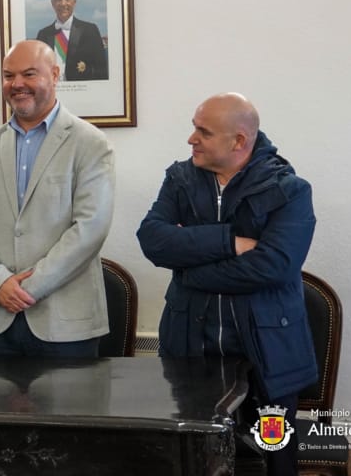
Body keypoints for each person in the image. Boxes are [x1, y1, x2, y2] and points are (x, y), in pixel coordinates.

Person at [136, 93, 318, 476]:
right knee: (193, 458)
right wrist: (229, 243)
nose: (191, 139)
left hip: (268, 355)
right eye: (194, 127)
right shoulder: (179, 179)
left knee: (274, 458)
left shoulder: (290, 189)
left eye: (203, 131)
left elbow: (275, 266)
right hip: (190, 349)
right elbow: (153, 239)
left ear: (239, 141)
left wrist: (189, 270)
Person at [0, 40, 114, 357]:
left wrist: (25, 290)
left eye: (29, 74)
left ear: (55, 75)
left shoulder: (91, 143)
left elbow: (90, 229)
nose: (16, 84)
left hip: (64, 327)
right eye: (8, 75)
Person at [34, 0, 108, 81]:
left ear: (74, 2)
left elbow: (101, 71)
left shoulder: (90, 30)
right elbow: (38, 71)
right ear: (52, 3)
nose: (63, 3)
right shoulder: (43, 34)